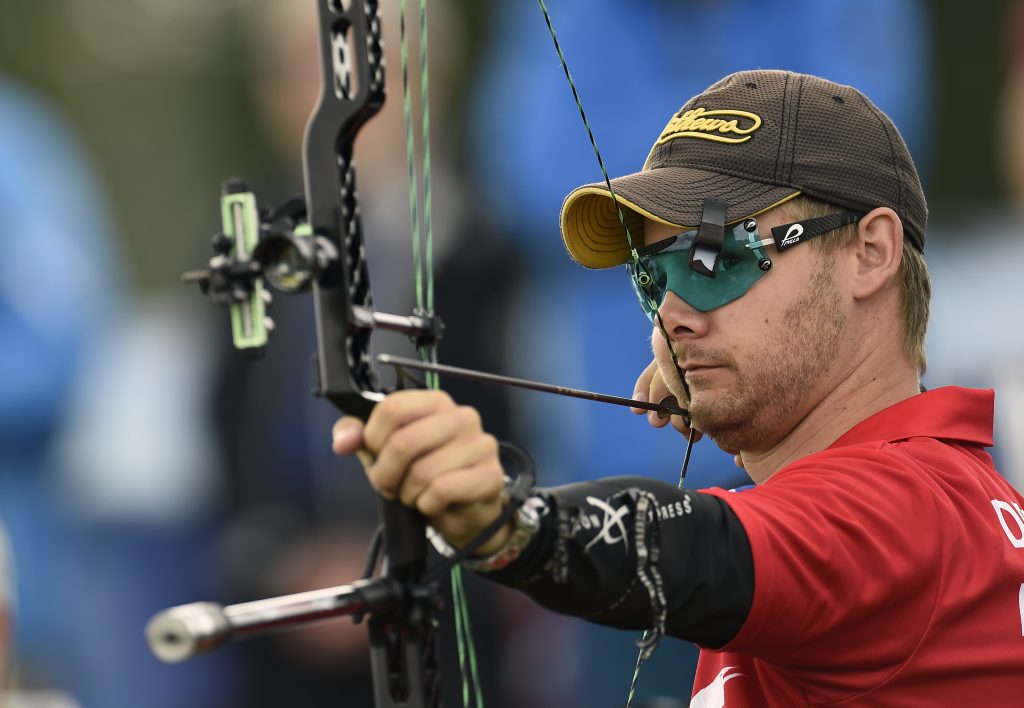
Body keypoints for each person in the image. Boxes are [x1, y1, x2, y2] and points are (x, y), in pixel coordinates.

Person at [332, 70, 1024, 704]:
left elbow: (701, 552)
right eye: (652, 279)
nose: (670, 313)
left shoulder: (900, 509)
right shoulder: (951, 495)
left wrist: (511, 523)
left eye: (714, 259)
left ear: (869, 253)